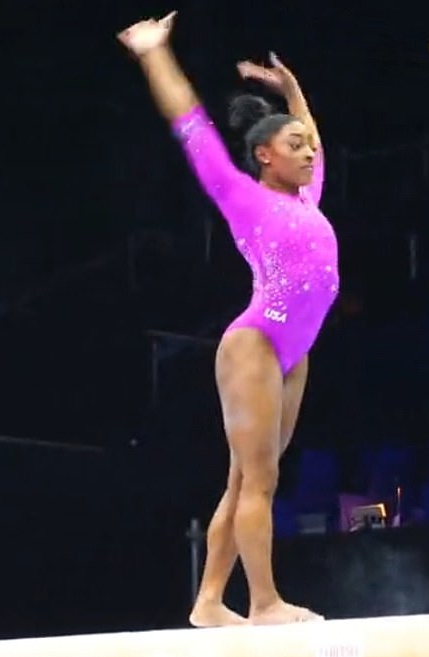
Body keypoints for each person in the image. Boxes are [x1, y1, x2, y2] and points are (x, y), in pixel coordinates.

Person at [117, 11, 338, 626]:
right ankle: (264, 601)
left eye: (309, 145)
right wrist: (153, 53)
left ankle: (209, 601)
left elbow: (311, 132)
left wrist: (291, 92)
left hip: (295, 350)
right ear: (264, 156)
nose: (309, 150)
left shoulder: (306, 196)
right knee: (259, 481)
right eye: (295, 146)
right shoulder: (243, 197)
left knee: (247, 479)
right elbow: (190, 124)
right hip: (257, 343)